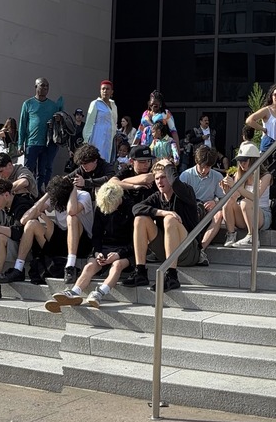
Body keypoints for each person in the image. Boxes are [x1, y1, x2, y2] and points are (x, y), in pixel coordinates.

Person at [44, 179, 135, 311]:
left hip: (125, 250)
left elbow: (135, 242)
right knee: (89, 266)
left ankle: (99, 293)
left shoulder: (131, 208)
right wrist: (97, 252)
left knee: (117, 265)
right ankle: (74, 292)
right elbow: (96, 234)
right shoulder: (101, 206)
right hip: (105, 247)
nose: (108, 210)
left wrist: (119, 254)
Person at [127, 162, 199, 292]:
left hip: (188, 251)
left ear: (170, 177)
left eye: (163, 177)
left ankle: (171, 276)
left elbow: (176, 183)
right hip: (166, 252)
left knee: (170, 220)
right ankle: (140, 272)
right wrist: (161, 212)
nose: (160, 182)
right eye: (157, 178)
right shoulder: (157, 197)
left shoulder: (185, 192)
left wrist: (169, 164)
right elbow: (136, 208)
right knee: (140, 219)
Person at [18, 78, 65, 190]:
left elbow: (60, 123)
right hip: (32, 143)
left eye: (47, 86)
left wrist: (59, 118)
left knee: (43, 171)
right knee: (29, 170)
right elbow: (22, 124)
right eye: (42, 85)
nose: (45, 88)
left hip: (47, 144)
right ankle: (28, 192)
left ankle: (39, 192)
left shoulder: (53, 106)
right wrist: (20, 144)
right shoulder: (28, 104)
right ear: (36, 87)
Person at [86, 81, 121, 165]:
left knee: (108, 161)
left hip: (110, 138)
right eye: (103, 89)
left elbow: (115, 122)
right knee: (97, 159)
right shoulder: (95, 103)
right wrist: (86, 140)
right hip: (98, 136)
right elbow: (89, 123)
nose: (105, 91)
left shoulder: (113, 105)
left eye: (107, 89)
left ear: (111, 92)